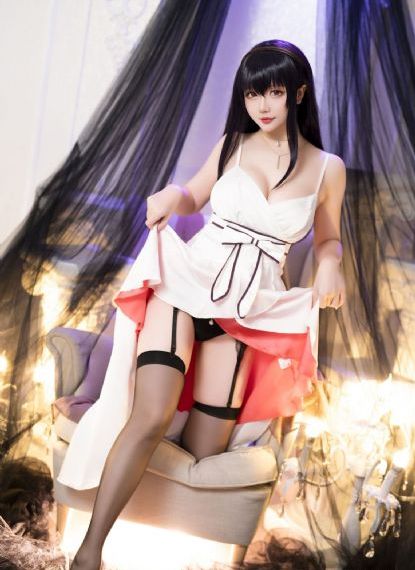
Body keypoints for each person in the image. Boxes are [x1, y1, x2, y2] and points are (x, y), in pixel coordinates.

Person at [62, 39, 346, 570]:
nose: (262, 105)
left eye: (274, 92)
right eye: (253, 93)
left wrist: (331, 262)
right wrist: (173, 196)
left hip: (249, 311)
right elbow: (194, 195)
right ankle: (89, 553)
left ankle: (118, 437)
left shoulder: (328, 168)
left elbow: (328, 239)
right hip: (187, 282)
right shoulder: (233, 143)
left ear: (298, 93)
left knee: (205, 448)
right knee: (151, 414)